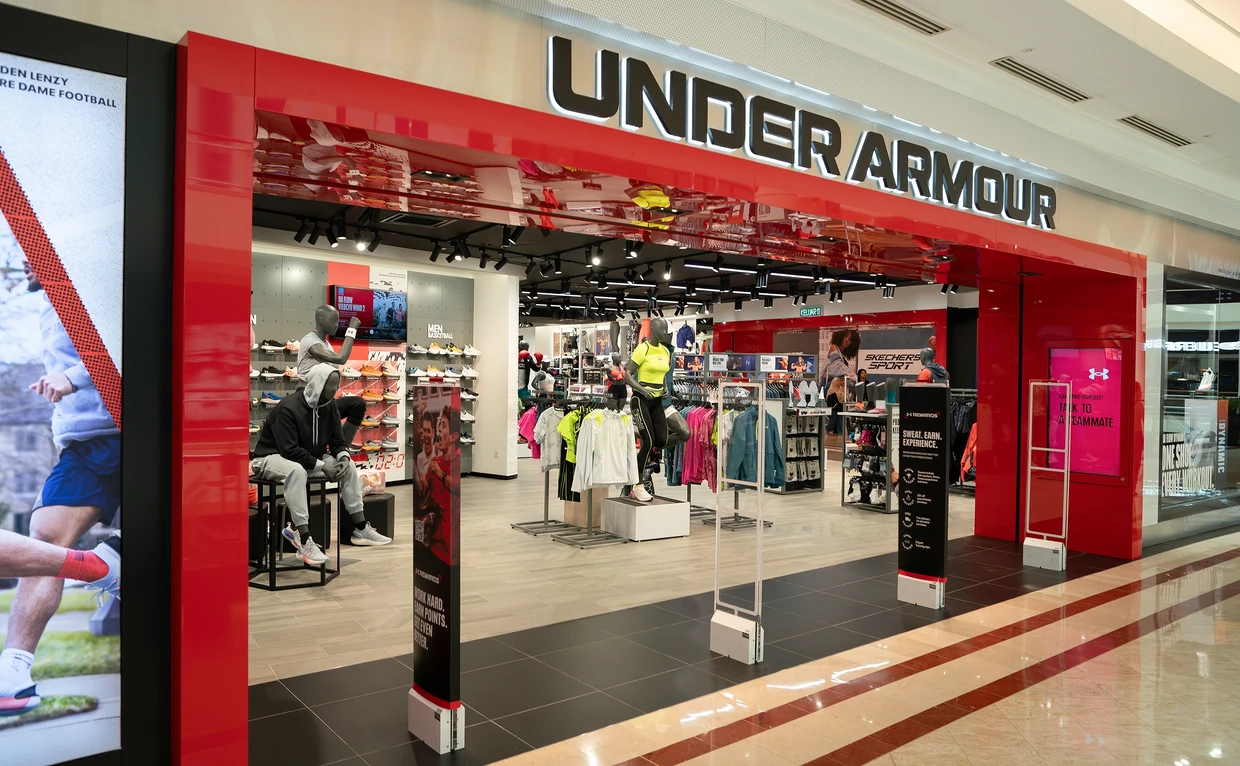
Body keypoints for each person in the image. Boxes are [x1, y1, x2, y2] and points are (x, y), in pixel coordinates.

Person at [251, 364, 392, 563]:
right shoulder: (288, 408)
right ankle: (304, 539)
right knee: (296, 471)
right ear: (318, 385)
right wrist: (322, 466)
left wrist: (343, 457)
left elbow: (337, 442)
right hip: (269, 457)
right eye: (331, 386)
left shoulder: (330, 407)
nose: (335, 390)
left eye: (336, 385)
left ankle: (360, 528)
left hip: (305, 459)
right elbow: (289, 450)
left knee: (349, 466)